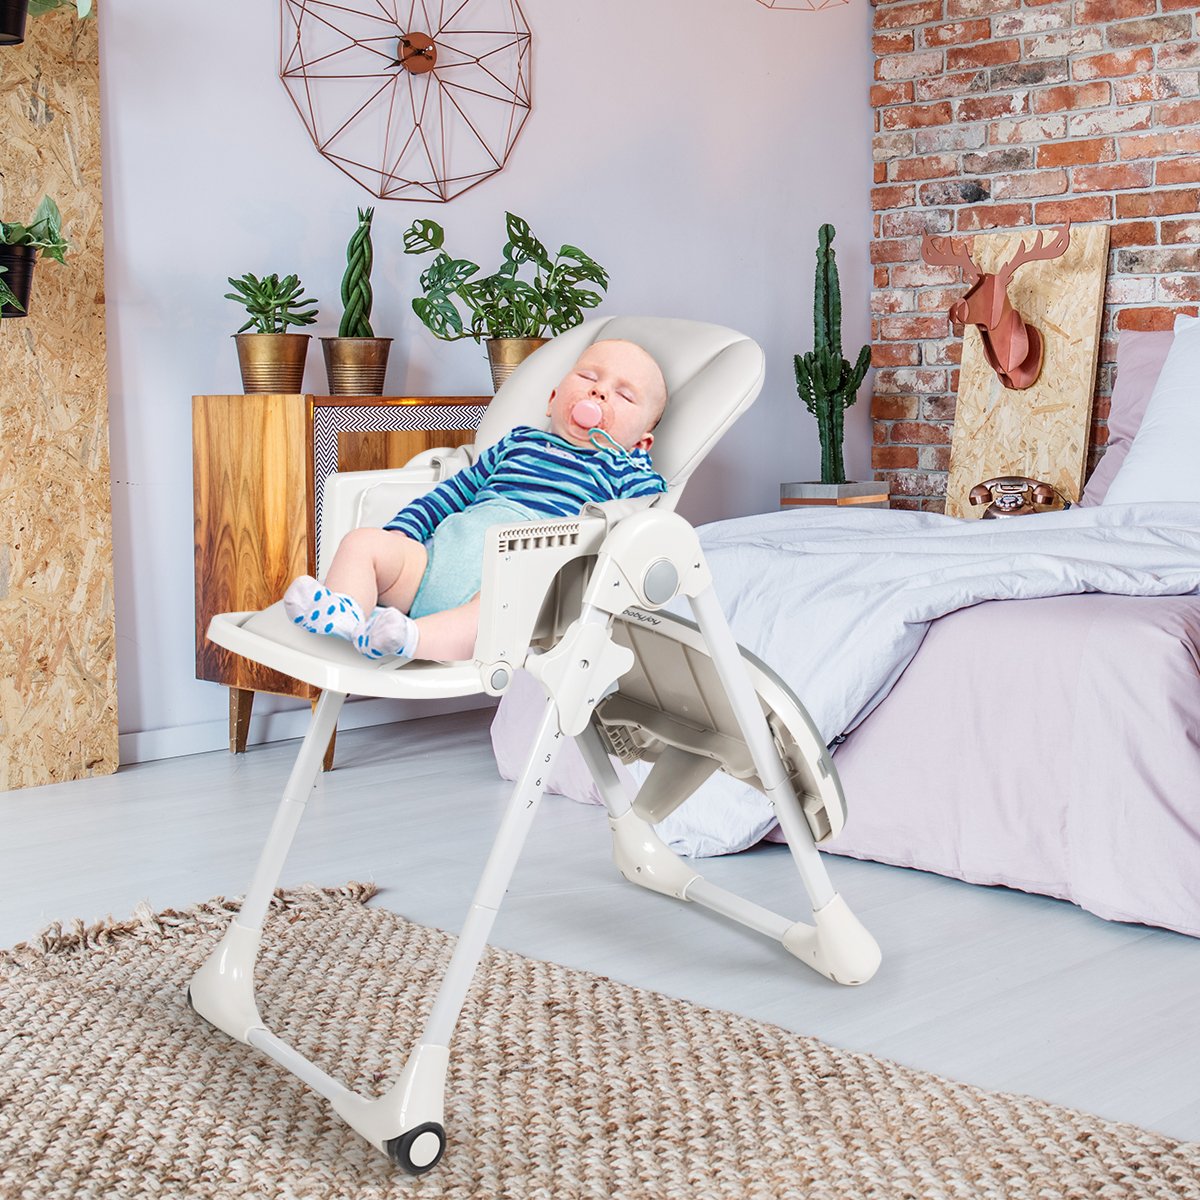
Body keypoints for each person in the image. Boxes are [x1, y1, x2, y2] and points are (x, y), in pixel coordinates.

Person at [282, 338, 669, 663]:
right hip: (439, 558)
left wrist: (628, 455)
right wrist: (402, 535)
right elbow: (452, 494)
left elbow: (647, 502)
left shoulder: (618, 468)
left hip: (508, 577)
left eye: (623, 395)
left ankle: (408, 637)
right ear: (552, 400)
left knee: (484, 617)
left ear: (642, 442)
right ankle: (346, 613)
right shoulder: (518, 443)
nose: (599, 391)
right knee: (362, 542)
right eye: (588, 377)